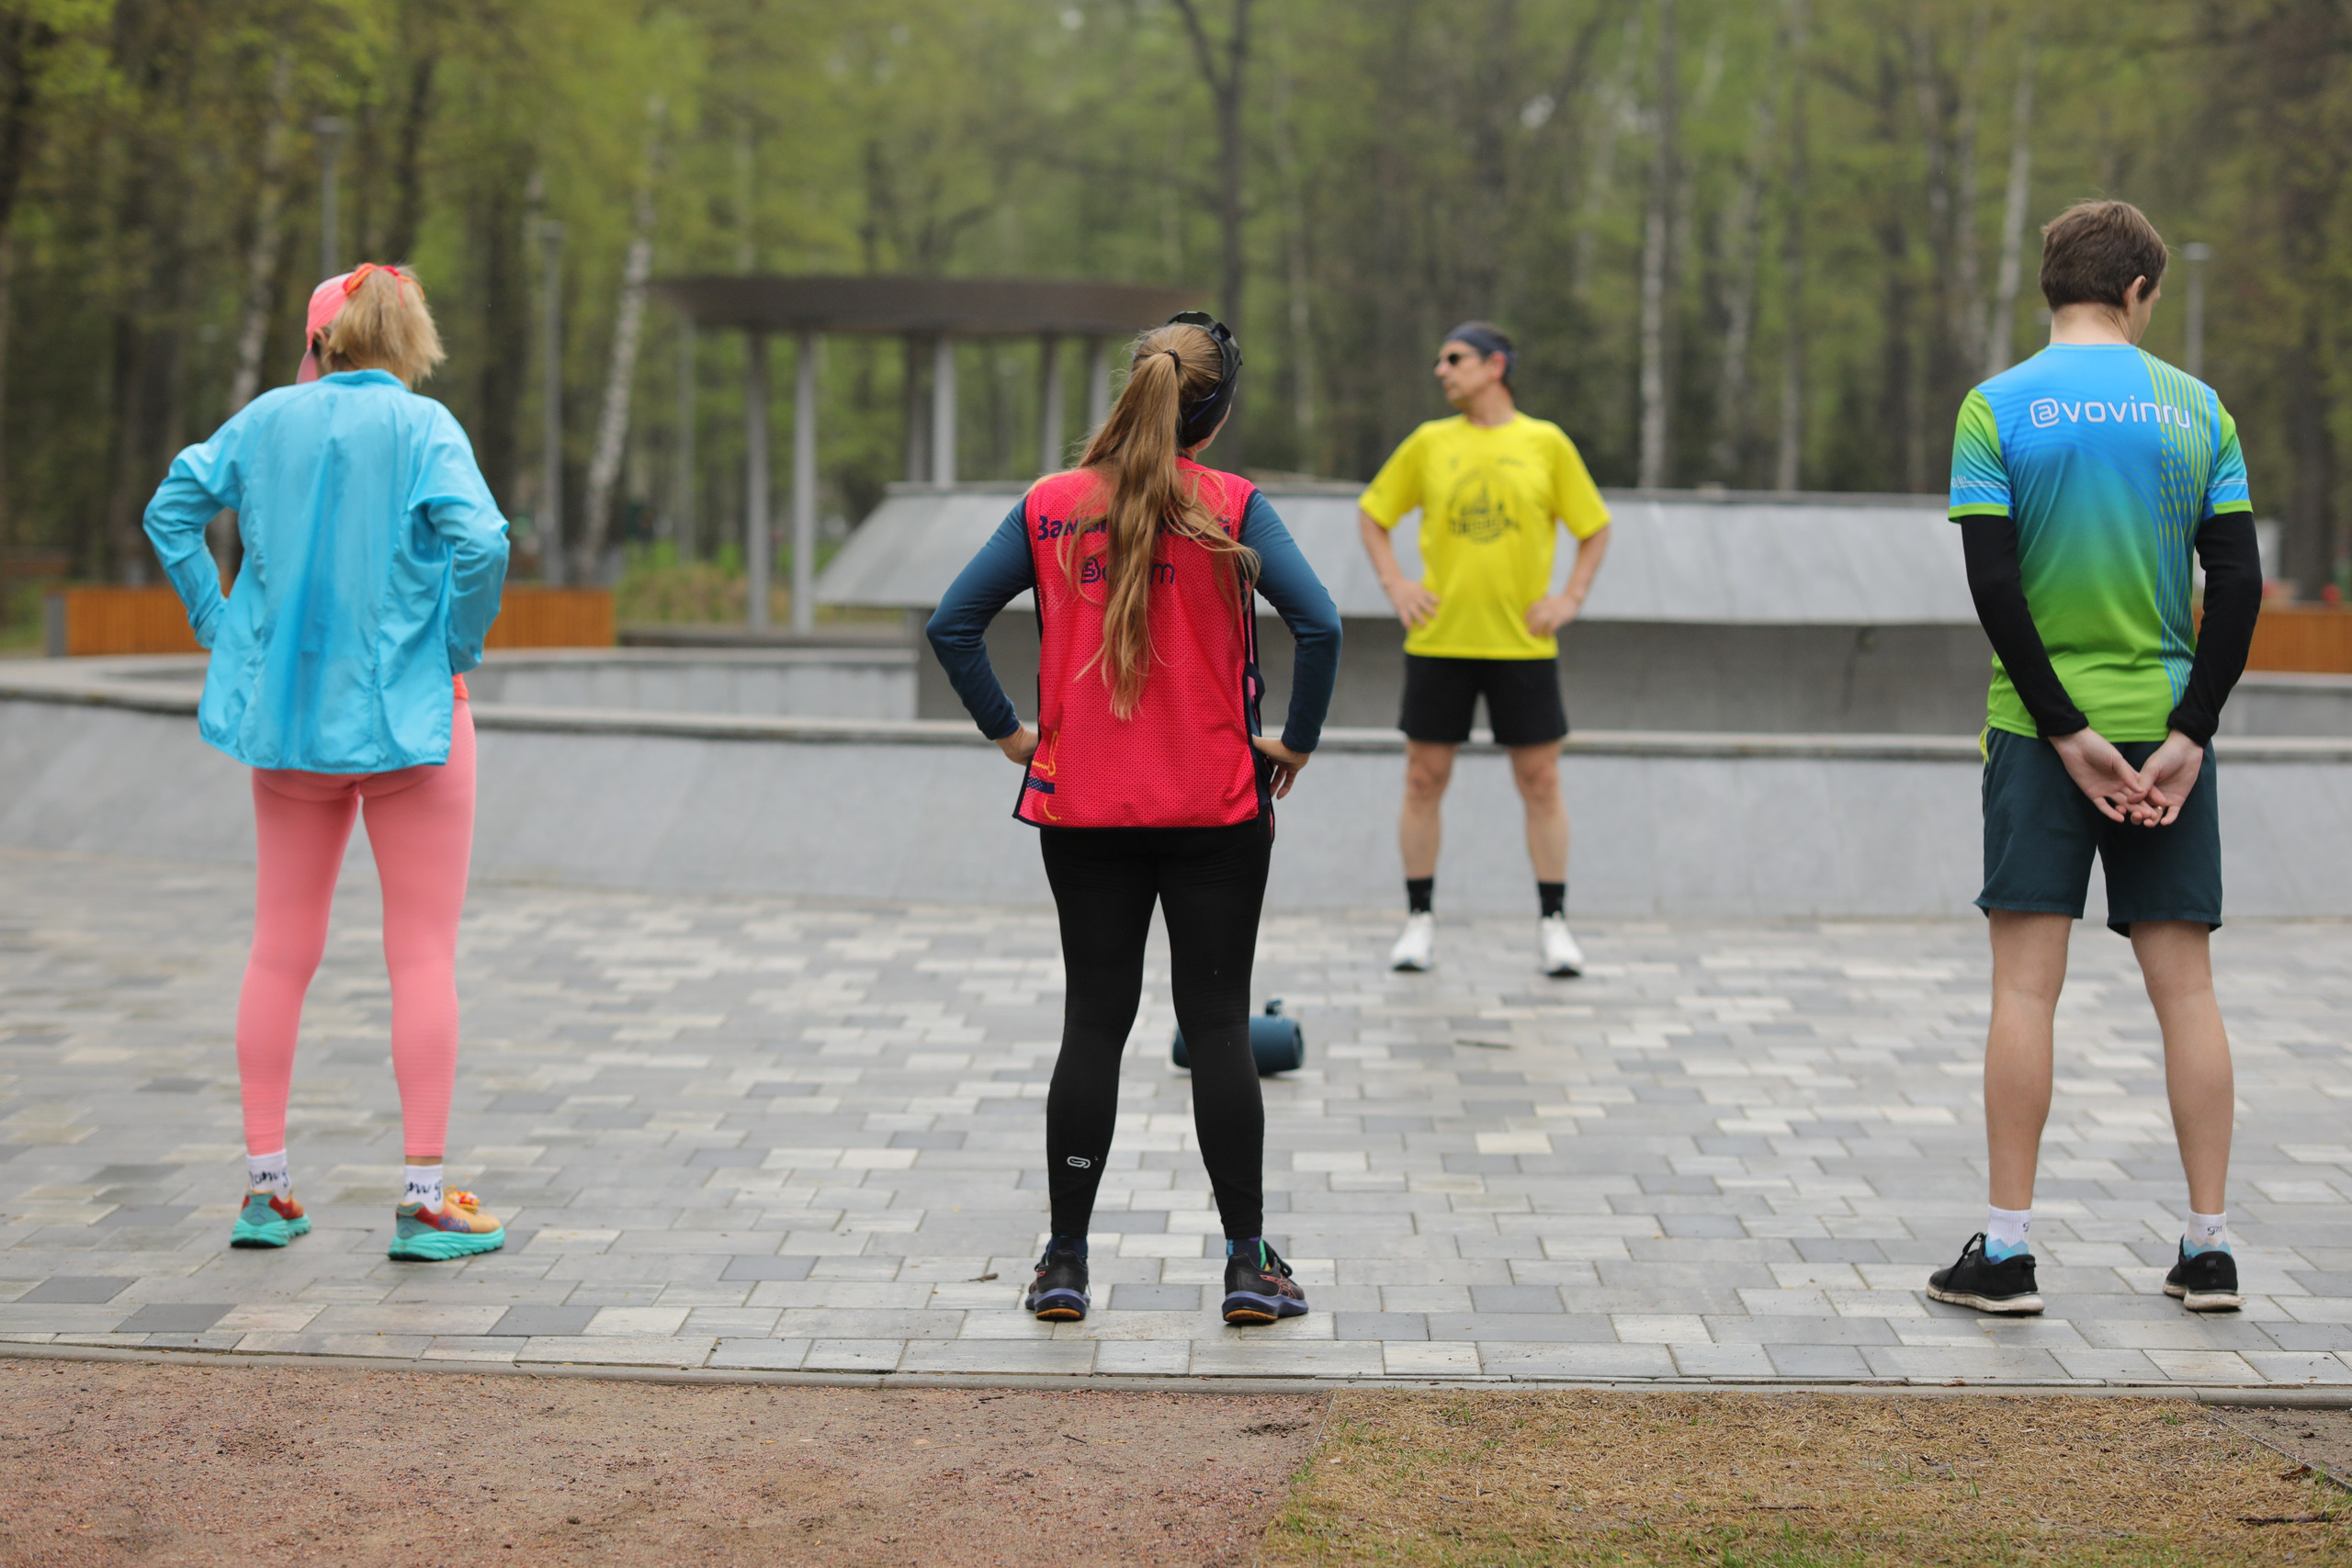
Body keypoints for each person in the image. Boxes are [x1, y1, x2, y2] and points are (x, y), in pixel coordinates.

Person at [927, 312, 1341, 1326]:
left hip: (1084, 807)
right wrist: (1294, 743)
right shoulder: (1231, 505)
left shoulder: (1051, 505)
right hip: (1217, 806)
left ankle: (1064, 1265)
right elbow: (1322, 623)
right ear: (1216, 413)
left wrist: (1011, 735)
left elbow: (954, 623)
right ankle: (1246, 1267)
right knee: (1219, 1026)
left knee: (1093, 1023)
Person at [1928, 200, 2262, 1316]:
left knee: (2025, 990)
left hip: (2038, 735)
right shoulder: (2197, 409)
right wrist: (2189, 734)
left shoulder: (1996, 406)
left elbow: (1992, 586)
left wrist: (2063, 729)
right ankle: (2208, 1249)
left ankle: (2007, 1254)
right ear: (2136, 291)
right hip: (2162, 735)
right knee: (2188, 991)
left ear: (2054, 284)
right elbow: (2239, 585)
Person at [143, 264, 513, 1264]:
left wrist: (221, 622)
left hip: (289, 725)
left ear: (319, 343)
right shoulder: (426, 429)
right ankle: (424, 1201)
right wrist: (454, 641)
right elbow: (483, 543)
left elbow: (169, 511)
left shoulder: (266, 421)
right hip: (413, 721)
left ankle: (266, 1191)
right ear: (402, 339)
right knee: (421, 954)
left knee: (279, 948)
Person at [1357, 322, 1611, 977]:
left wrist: (1571, 598)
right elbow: (1373, 514)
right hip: (1440, 640)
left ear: (1495, 366)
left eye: (1455, 359)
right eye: (1439, 360)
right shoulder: (1428, 442)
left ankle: (1554, 924)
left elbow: (1594, 526)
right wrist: (1396, 584)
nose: (1441, 370)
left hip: (1522, 646)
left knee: (1541, 781)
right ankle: (1418, 920)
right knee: (1423, 778)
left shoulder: (1546, 443)